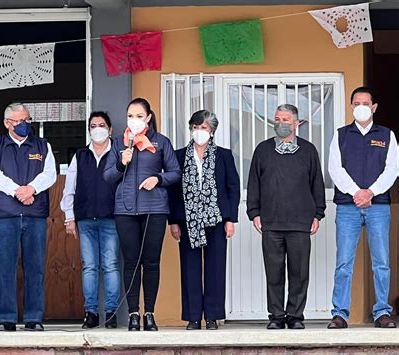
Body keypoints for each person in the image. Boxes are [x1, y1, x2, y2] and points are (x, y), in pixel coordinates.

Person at [103, 98, 181, 331]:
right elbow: (108, 176)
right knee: (131, 263)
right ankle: (134, 314)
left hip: (154, 209)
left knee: (151, 262)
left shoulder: (160, 142)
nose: (134, 120)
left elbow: (175, 172)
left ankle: (149, 313)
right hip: (125, 210)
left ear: (147, 117)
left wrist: (158, 179)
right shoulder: (118, 143)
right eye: (130, 115)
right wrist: (120, 163)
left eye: (139, 116)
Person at [247, 104, 326, 330]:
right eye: (277, 119)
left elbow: (317, 185)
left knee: (299, 272)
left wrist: (318, 213)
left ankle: (295, 316)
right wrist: (254, 213)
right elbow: (254, 183)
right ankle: (276, 316)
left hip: (301, 222)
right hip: (270, 222)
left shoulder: (308, 150)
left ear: (296, 123)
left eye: (285, 119)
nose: (280, 123)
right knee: (274, 272)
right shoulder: (262, 150)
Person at [327, 87, 398, 329]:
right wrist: (356, 192)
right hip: (348, 207)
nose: (361, 106)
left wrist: (371, 192)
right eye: (356, 102)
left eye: (365, 103)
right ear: (351, 106)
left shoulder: (387, 135)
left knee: (381, 262)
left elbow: (392, 169)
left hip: (378, 206)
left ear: (374, 107)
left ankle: (382, 312)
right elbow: (335, 169)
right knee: (344, 262)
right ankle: (340, 313)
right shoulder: (341, 135)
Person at [0, 103, 56, 332]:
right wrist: (17, 190)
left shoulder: (42, 145)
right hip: (5, 215)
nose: (25, 124)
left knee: (35, 267)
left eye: (27, 119)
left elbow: (50, 174)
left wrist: (31, 189)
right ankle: (7, 318)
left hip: (34, 214)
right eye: (19, 120)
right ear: (8, 123)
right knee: (6, 267)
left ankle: (34, 317)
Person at [167, 110, 240, 330]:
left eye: (204, 128)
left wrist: (230, 219)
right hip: (188, 220)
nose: (199, 131)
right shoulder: (179, 156)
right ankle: (192, 316)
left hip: (216, 219)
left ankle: (212, 316)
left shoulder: (224, 155)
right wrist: (173, 221)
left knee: (215, 268)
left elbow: (232, 188)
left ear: (212, 131)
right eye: (196, 127)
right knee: (190, 269)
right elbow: (172, 190)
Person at [60, 111, 120, 329]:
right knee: (90, 267)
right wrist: (69, 217)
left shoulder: (119, 153)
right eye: (93, 125)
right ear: (89, 130)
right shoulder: (81, 155)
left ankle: (111, 313)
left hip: (111, 218)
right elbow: (70, 187)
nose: (98, 129)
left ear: (110, 129)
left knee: (111, 265)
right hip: (85, 218)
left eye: (102, 124)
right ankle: (91, 313)